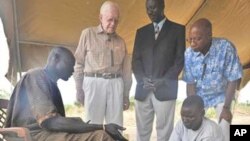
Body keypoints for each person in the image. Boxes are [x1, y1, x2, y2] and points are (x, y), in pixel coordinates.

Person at [5, 47, 127, 141]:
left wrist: (82, 125)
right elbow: (50, 122)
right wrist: (102, 127)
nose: (73, 70)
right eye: (70, 64)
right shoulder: (36, 75)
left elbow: (56, 122)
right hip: (33, 135)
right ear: (55, 58)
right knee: (101, 136)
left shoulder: (51, 85)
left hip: (46, 134)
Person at [132, 0, 185, 140]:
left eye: (153, 8)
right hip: (143, 89)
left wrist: (163, 80)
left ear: (163, 6)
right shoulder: (141, 32)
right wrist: (141, 78)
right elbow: (135, 60)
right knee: (142, 132)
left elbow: (179, 61)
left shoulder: (178, 30)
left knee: (165, 133)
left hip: (166, 89)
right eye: (147, 8)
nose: (150, 11)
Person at [183, 18, 243, 141]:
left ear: (209, 36)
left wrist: (226, 108)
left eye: (197, 39)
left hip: (222, 95)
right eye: (190, 39)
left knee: (224, 125)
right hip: (199, 95)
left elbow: (233, 79)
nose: (193, 43)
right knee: (195, 126)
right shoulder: (189, 54)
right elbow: (190, 84)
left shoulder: (225, 47)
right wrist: (194, 107)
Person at [74, 1, 132, 126]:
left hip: (116, 83)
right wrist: (79, 88)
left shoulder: (121, 41)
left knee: (116, 126)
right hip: (93, 82)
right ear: (100, 17)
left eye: (116, 20)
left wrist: (126, 94)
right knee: (92, 125)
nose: (113, 24)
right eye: (110, 19)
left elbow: (127, 70)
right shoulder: (87, 34)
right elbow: (79, 63)